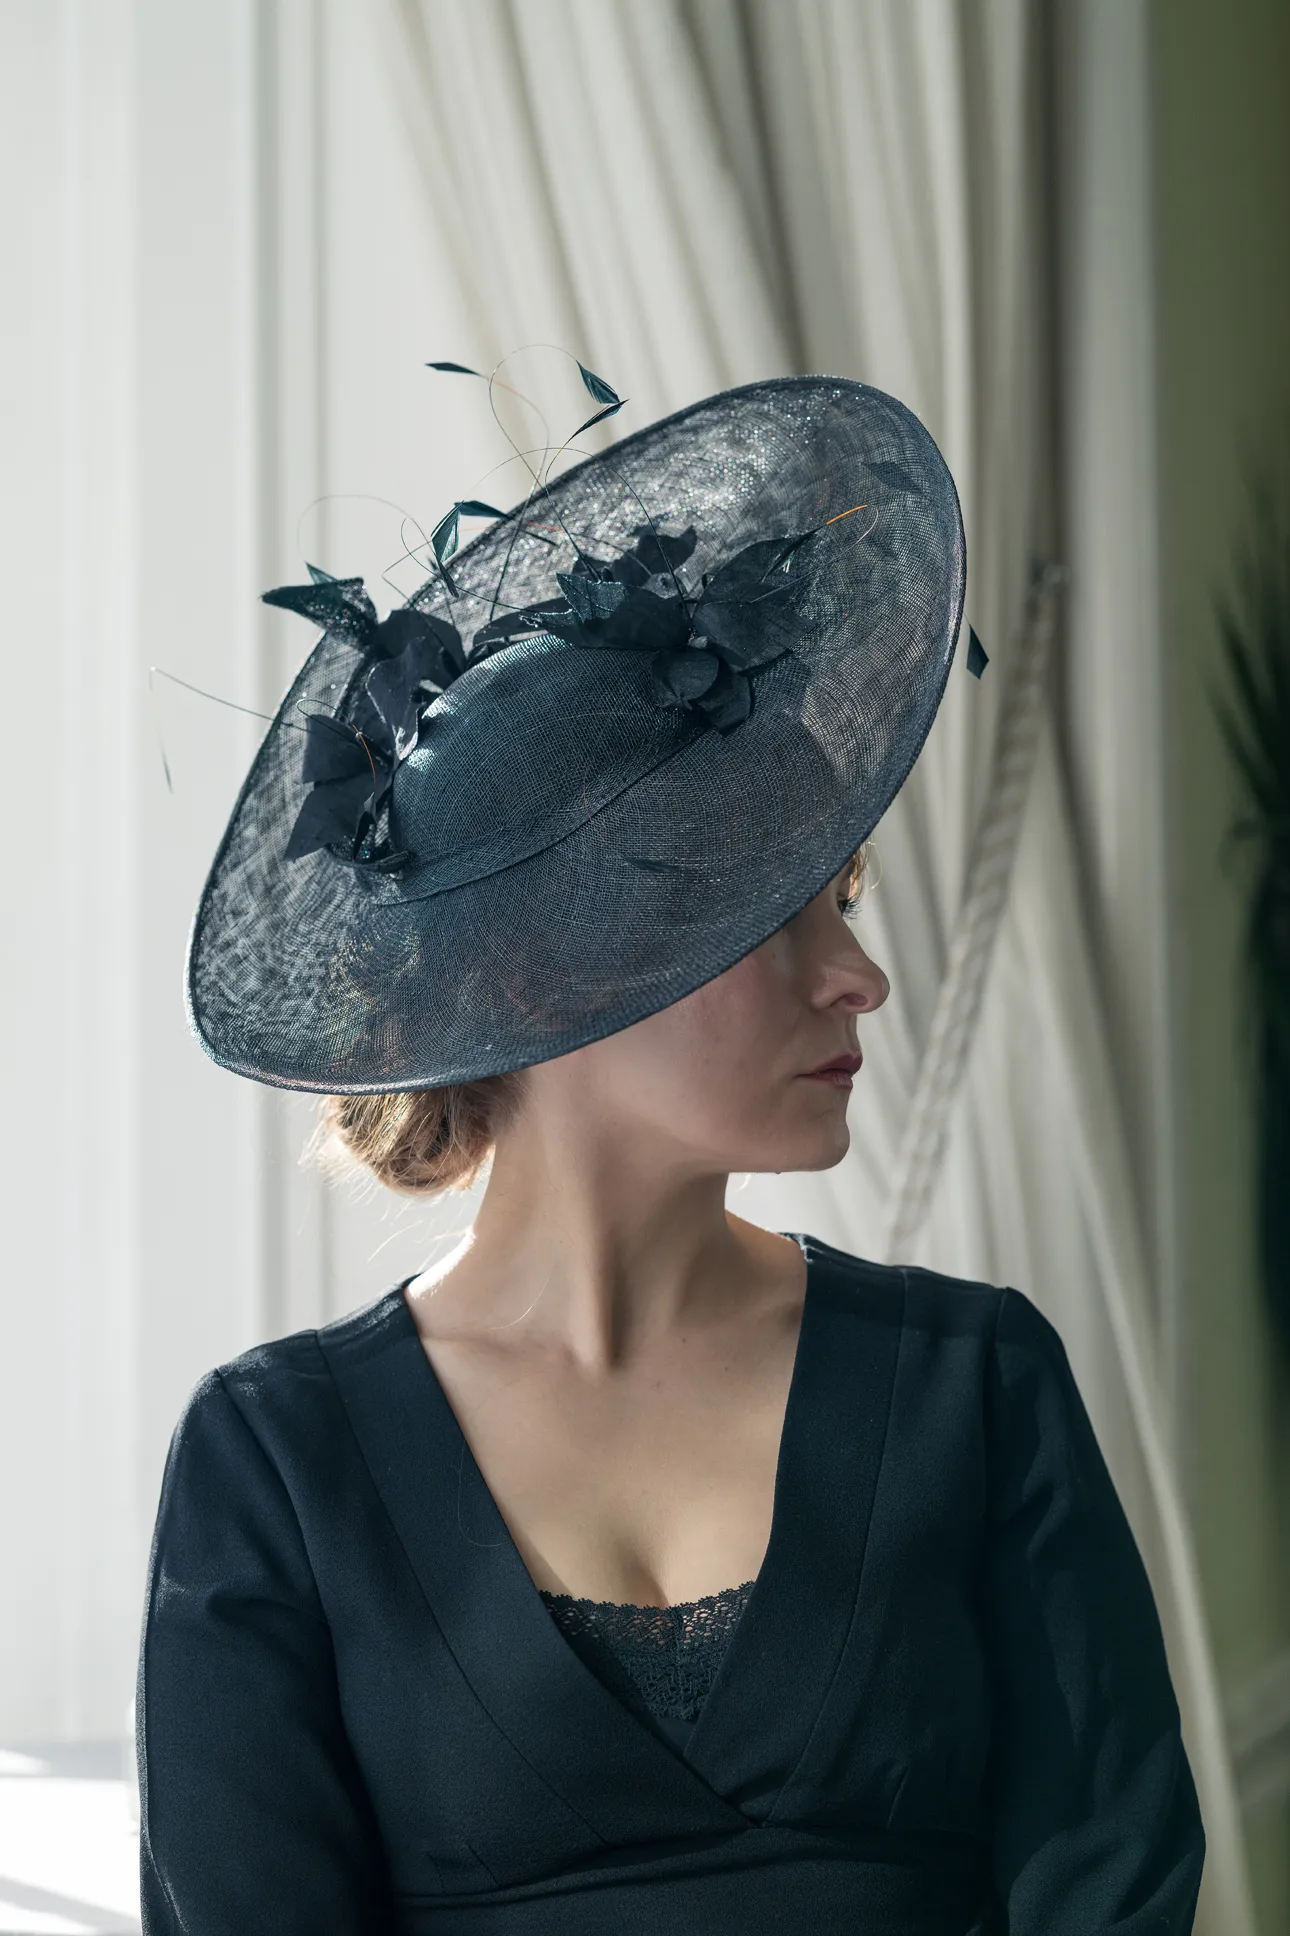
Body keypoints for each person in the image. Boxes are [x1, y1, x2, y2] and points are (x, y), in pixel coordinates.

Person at [138, 369, 1204, 1933]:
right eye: (771, 919)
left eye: (840, 901)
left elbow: (1111, 1887)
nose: (857, 977)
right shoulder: (278, 1466)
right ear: (532, 977)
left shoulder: (977, 1384)